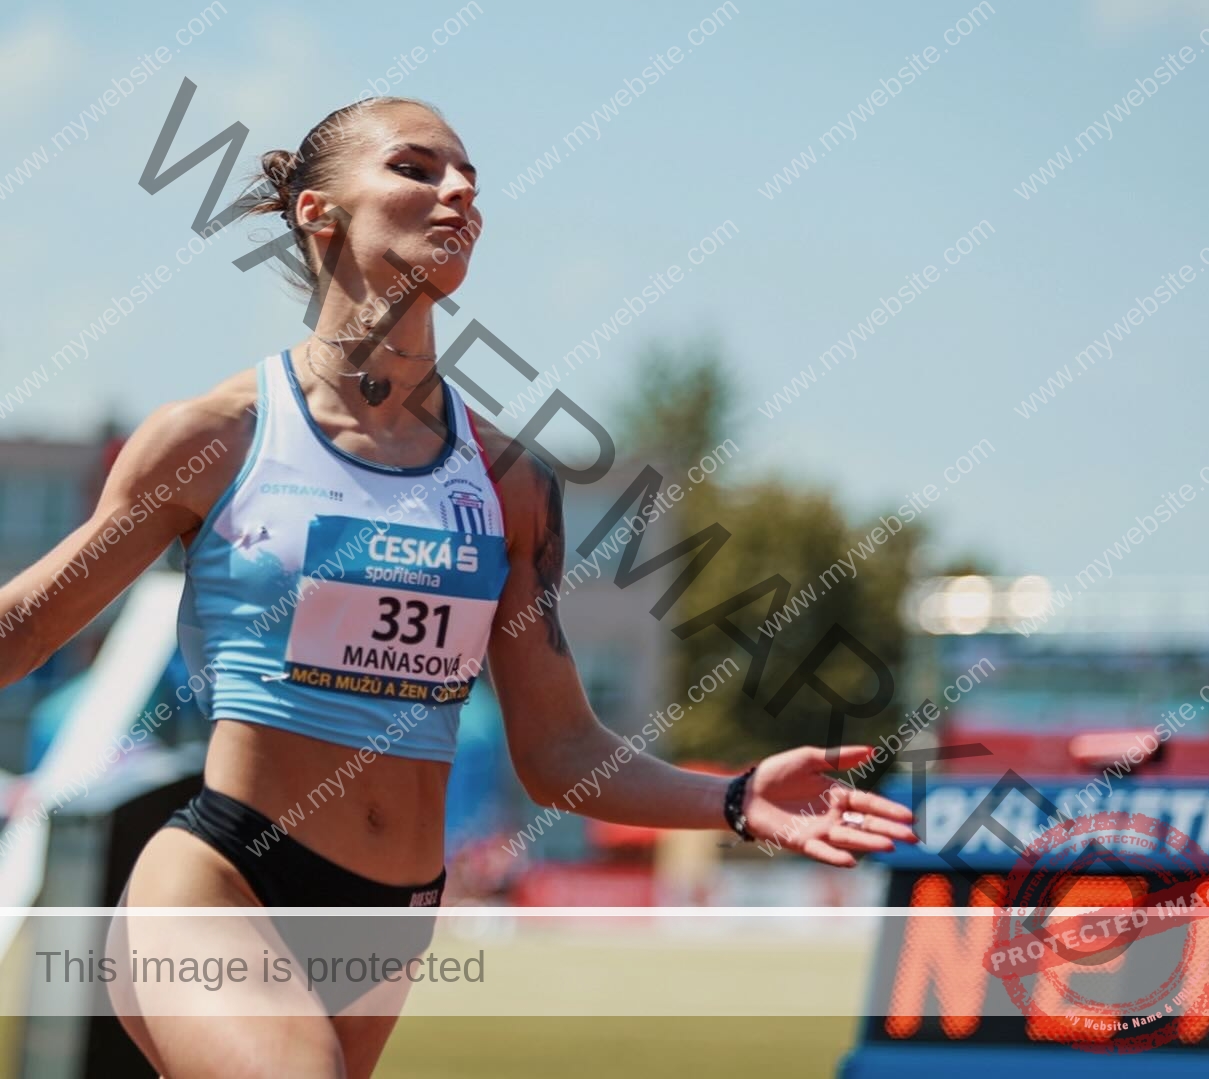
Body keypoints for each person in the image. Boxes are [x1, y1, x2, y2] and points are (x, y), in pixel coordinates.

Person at [0, 95, 916, 1078]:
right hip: (223, 883)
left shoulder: (509, 482)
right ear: (317, 211)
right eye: (417, 168)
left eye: (469, 178)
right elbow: (26, 628)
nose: (460, 192)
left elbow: (560, 751)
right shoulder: (215, 437)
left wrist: (732, 797)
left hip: (392, 918)